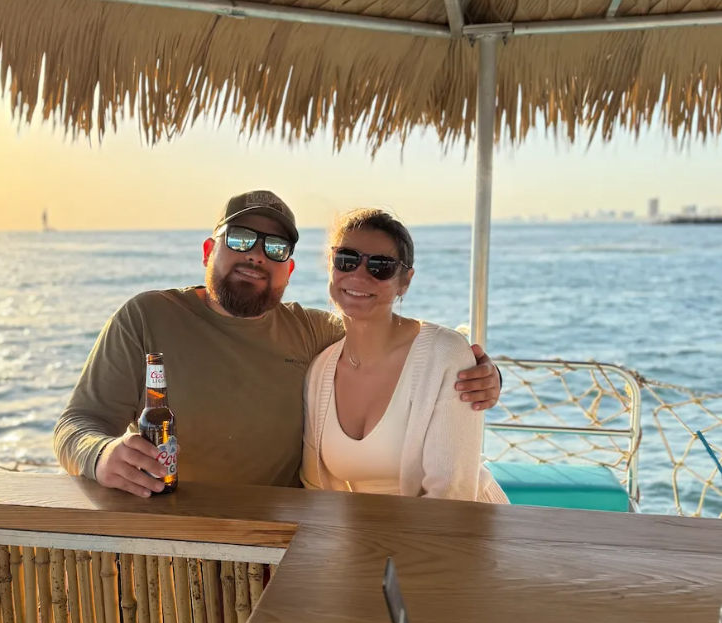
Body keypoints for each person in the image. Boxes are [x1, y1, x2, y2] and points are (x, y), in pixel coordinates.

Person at [54, 191, 502, 498]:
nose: (256, 255)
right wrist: (101, 454)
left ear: (290, 271)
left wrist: (481, 371)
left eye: (275, 248)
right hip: (174, 530)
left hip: (278, 539)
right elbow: (77, 423)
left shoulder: (313, 333)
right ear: (210, 250)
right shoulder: (147, 317)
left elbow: (391, 340)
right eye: (241, 239)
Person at [301, 209, 507, 502]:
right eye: (346, 260)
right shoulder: (320, 371)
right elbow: (316, 484)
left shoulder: (446, 354)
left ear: (405, 281)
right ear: (331, 266)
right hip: (367, 539)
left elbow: (451, 496)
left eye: (380, 266)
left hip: (461, 535)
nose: (359, 274)